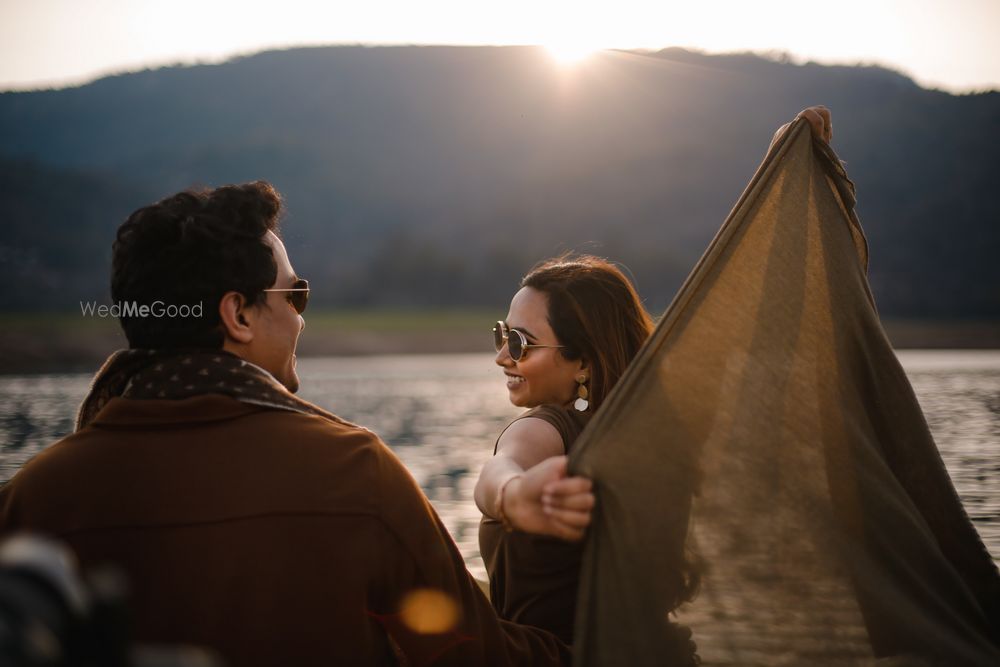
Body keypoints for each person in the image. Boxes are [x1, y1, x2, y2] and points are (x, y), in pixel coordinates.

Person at [0, 181, 582, 666]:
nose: (302, 319)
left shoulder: (31, 500)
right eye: (295, 294)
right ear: (239, 314)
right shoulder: (356, 474)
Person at [475, 106, 835, 649]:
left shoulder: (546, 431)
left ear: (584, 362)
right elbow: (753, 309)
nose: (503, 355)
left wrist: (513, 495)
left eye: (520, 343)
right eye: (503, 333)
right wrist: (782, 176)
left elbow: (498, 475)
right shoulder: (660, 438)